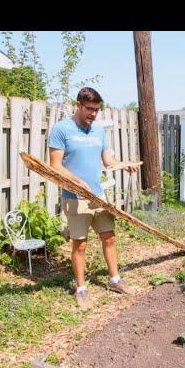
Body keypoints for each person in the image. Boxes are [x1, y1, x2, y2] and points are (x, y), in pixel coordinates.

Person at [48, 87, 138, 310]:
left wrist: (122, 165)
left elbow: (107, 159)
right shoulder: (61, 130)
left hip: (98, 196)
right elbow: (55, 165)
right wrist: (76, 181)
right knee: (80, 245)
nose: (93, 114)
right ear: (78, 105)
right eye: (89, 109)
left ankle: (115, 280)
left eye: (96, 110)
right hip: (75, 197)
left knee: (109, 237)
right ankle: (81, 289)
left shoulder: (98, 131)